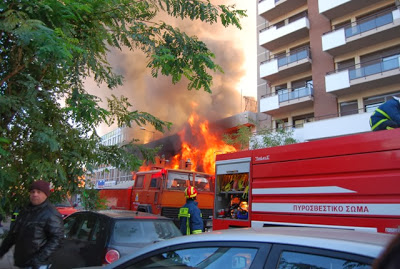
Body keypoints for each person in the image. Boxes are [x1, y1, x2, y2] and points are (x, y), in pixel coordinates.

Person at [0, 180, 64, 269]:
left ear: (46, 194)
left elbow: (57, 239)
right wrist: (2, 251)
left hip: (38, 265)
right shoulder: (25, 211)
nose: (35, 194)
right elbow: (13, 234)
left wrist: (38, 259)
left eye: (39, 192)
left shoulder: (51, 213)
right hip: (23, 261)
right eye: (32, 192)